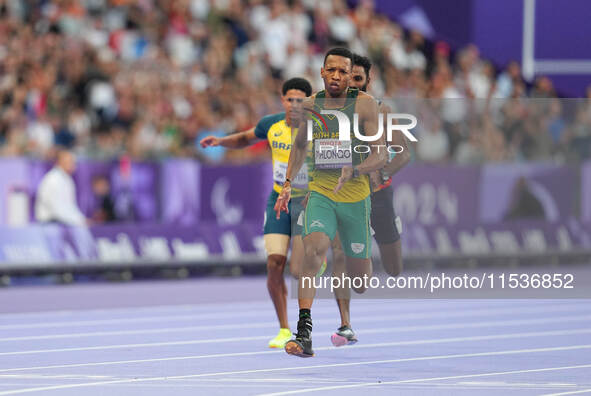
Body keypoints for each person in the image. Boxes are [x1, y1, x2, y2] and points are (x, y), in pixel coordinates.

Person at [275, 47, 387, 357]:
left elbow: (380, 154)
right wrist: (286, 184)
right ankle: (304, 333)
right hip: (322, 192)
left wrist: (357, 169)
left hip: (356, 198)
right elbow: (298, 147)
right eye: (331, 70)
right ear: (322, 73)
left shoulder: (365, 106)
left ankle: (339, 258)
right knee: (313, 253)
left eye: (343, 72)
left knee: (361, 281)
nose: (336, 76)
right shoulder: (310, 106)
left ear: (352, 77)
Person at [200, 77, 327, 348]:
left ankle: (313, 276)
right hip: (278, 201)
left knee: (297, 269)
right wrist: (220, 141)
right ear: (282, 101)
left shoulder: (316, 129)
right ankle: (284, 329)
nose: (294, 104)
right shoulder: (271, 125)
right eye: (289, 99)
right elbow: (246, 138)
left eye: (300, 100)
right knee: (274, 264)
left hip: (308, 201)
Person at [328, 54, 411, 347]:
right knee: (342, 260)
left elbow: (403, 154)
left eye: (358, 79)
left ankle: (387, 232)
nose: (352, 84)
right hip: (348, 196)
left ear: (368, 81)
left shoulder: (381, 111)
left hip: (378, 195)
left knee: (394, 268)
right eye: (348, 78)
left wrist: (380, 172)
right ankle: (345, 324)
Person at [35, 149, 87, 226]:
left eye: (73, 162)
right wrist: (78, 221)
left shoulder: (68, 180)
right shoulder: (53, 179)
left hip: (64, 221)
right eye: (69, 162)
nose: (73, 165)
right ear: (59, 162)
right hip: (50, 223)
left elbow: (70, 205)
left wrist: (81, 220)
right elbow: (56, 208)